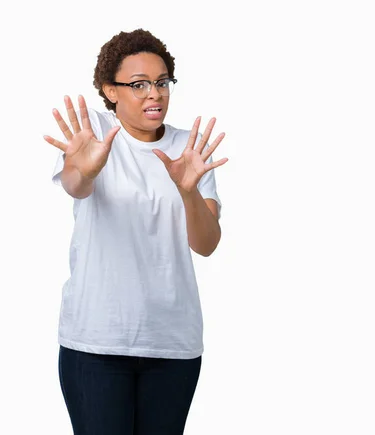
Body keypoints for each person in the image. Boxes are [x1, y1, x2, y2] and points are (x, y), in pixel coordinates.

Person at [44, 28, 228, 435]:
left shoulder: (189, 148)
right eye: (139, 84)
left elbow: (206, 244)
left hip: (172, 342)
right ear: (110, 90)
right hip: (97, 341)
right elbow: (77, 185)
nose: (155, 94)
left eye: (162, 82)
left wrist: (188, 192)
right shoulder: (93, 134)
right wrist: (85, 169)